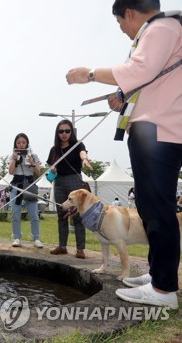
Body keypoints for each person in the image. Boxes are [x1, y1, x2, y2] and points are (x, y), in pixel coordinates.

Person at [65, 0, 181, 309]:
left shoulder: (160, 28)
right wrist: (123, 96)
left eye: (120, 23)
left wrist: (89, 74)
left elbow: (139, 69)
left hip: (158, 130)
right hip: (157, 129)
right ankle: (159, 276)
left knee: (158, 210)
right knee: (151, 207)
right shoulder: (165, 30)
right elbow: (150, 79)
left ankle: (164, 289)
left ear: (129, 13)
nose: (123, 30)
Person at [46, 120, 93, 259]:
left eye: (67, 131)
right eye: (61, 131)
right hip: (59, 181)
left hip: (74, 180)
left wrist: (84, 159)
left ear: (71, 132)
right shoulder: (54, 149)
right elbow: (50, 168)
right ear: (57, 133)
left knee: (77, 216)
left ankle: (80, 249)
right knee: (62, 215)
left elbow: (82, 153)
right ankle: (62, 246)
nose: (64, 134)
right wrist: (52, 170)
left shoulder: (77, 145)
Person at [8, 133, 44, 249]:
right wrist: (14, 159)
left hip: (29, 184)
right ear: (15, 144)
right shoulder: (13, 156)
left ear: (27, 143)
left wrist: (32, 162)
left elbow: (39, 172)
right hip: (17, 184)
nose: (21, 145)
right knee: (15, 213)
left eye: (23, 142)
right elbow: (11, 172)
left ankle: (36, 238)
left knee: (34, 213)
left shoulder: (33, 155)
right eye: (18, 143)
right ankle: (17, 237)